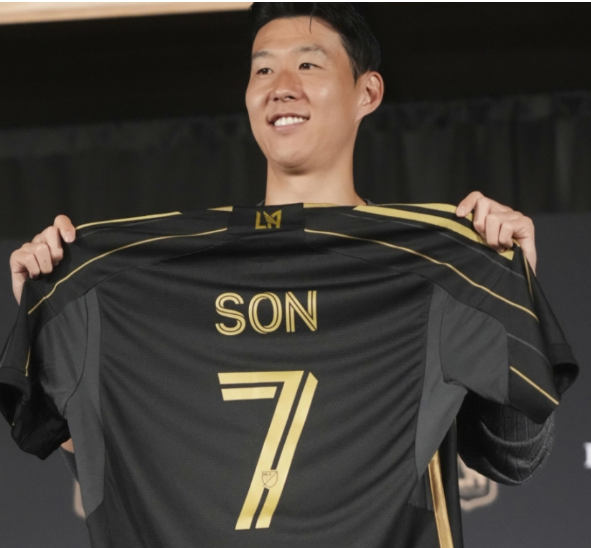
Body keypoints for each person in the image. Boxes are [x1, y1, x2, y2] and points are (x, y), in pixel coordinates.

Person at [2, 4, 576, 548]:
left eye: (308, 64)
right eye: (263, 69)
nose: (281, 86)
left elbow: (514, 457)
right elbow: (121, 466)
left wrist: (509, 290)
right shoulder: (147, 278)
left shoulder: (437, 266)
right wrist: (52, 309)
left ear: (368, 92)